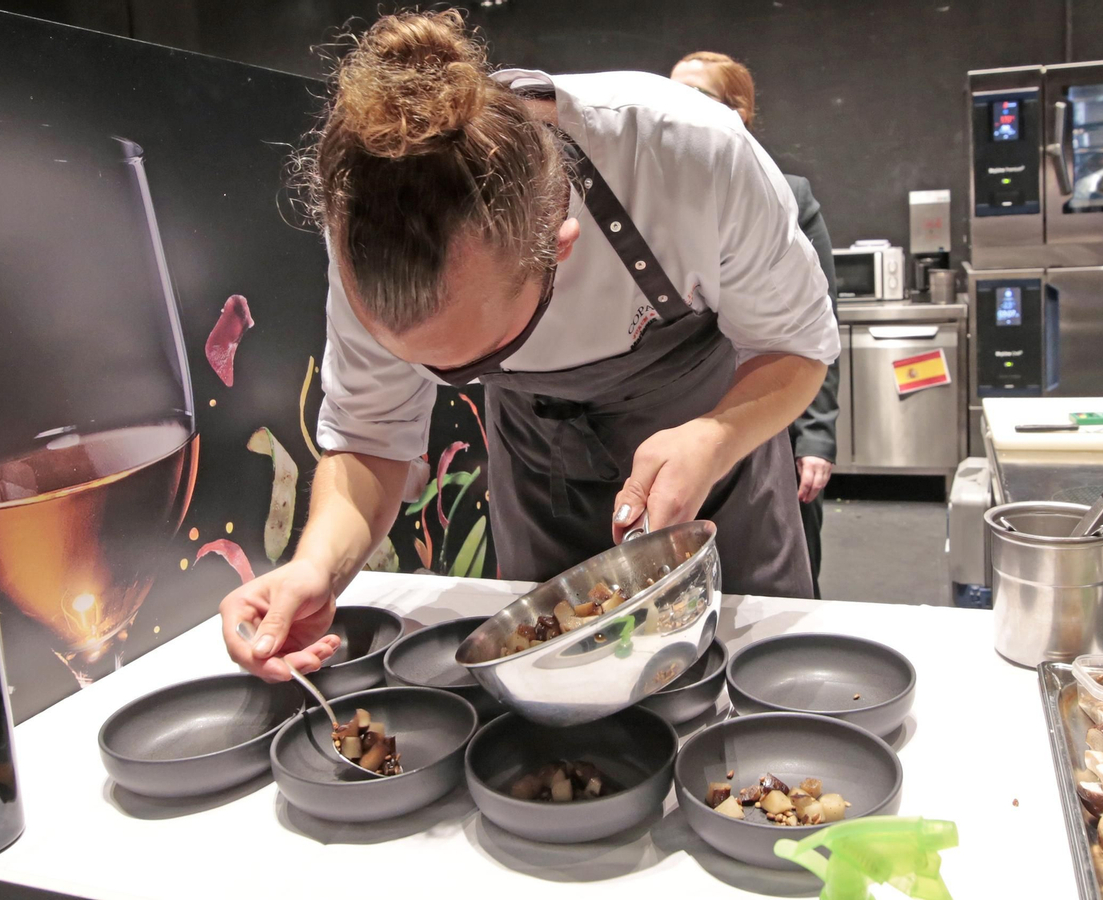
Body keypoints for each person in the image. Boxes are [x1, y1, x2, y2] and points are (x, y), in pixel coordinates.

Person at [220, 10, 837, 680]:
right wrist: (315, 567)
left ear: (560, 246)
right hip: (540, 486)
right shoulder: (372, 217)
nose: (447, 377)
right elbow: (369, 440)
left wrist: (715, 437)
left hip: (721, 483)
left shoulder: (686, 153)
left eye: (481, 358)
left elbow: (797, 348)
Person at [671, 51, 838, 596]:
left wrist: (815, 436)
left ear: (737, 112)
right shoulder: (655, 198)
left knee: (785, 567)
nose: (674, 108)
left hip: (770, 406)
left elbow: (815, 325)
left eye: (695, 96)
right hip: (687, 415)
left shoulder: (788, 194)